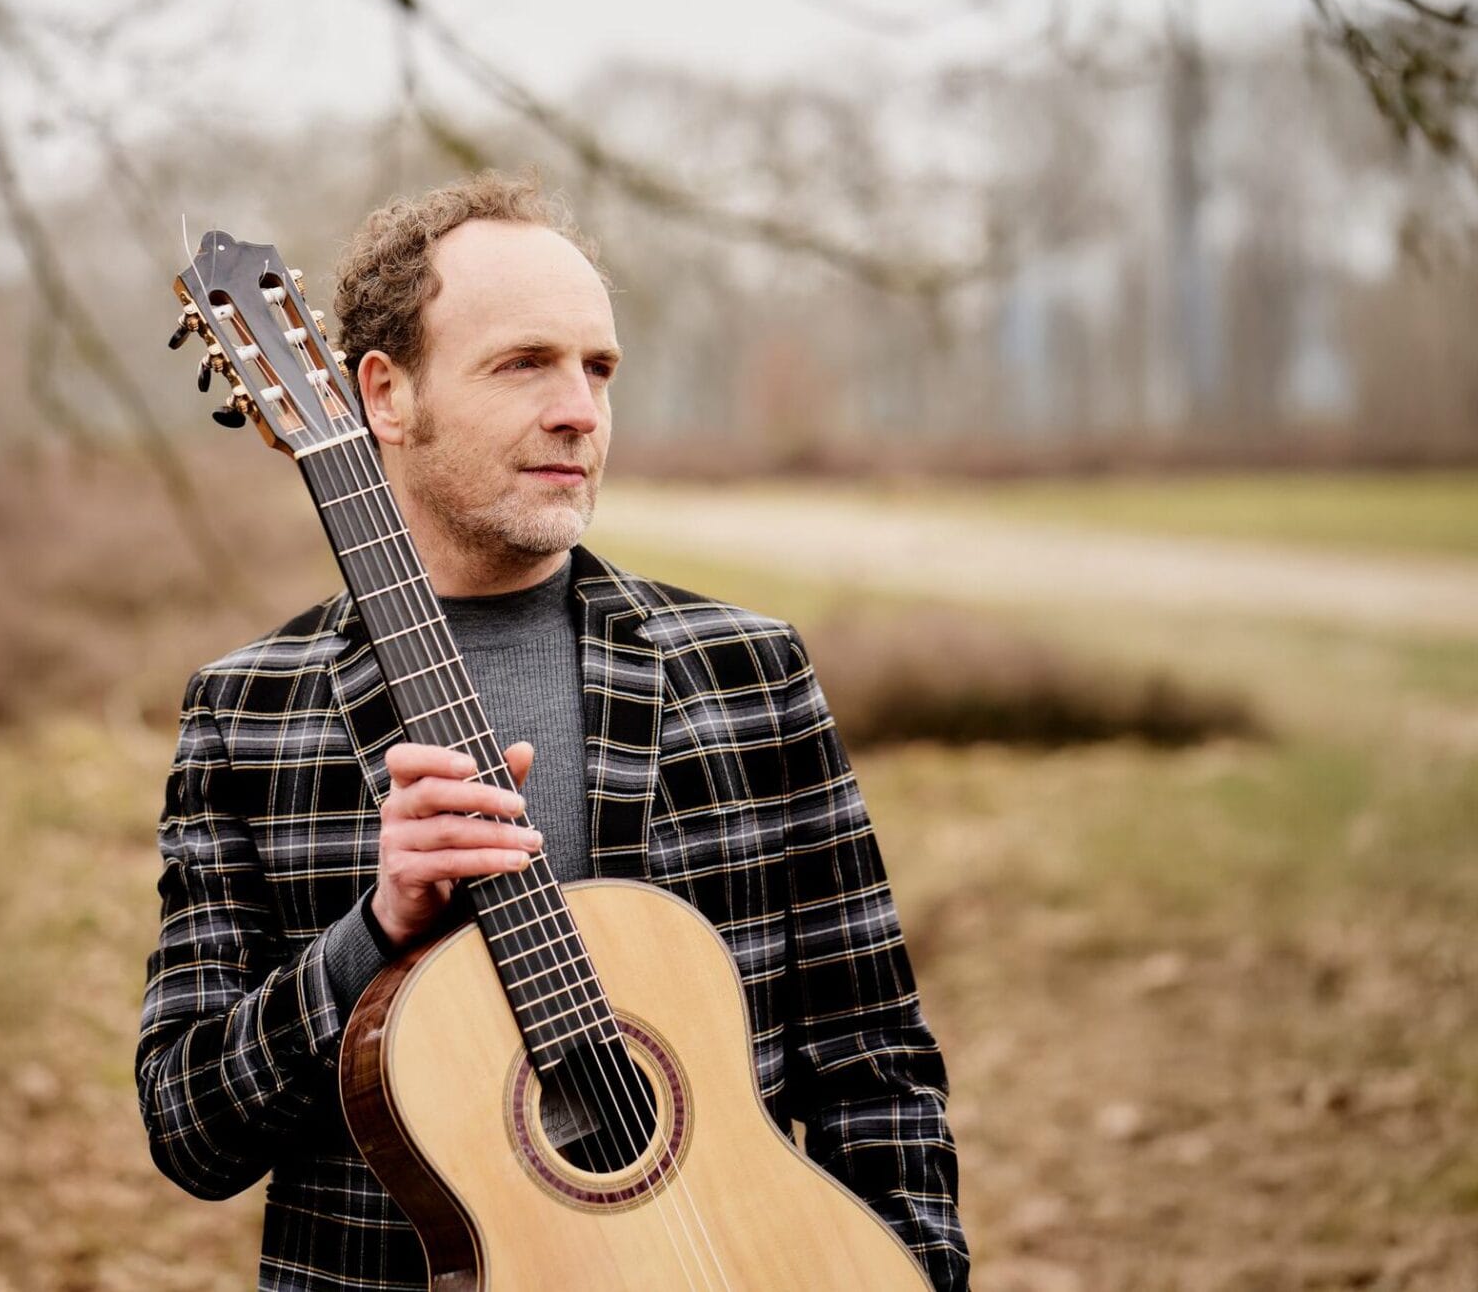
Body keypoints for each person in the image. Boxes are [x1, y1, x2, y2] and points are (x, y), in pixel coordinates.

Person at [136, 171, 968, 1291]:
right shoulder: (249, 714)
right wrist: (367, 938)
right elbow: (191, 1129)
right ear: (383, 394)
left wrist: (911, 1272)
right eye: (525, 363)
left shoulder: (746, 672)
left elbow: (875, 1064)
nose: (580, 407)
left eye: (600, 368)